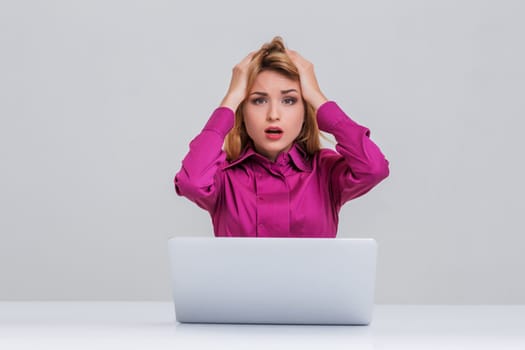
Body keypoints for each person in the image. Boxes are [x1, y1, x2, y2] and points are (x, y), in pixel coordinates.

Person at [174, 37, 389, 237]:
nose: (273, 115)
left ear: (305, 111)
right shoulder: (223, 177)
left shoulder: (324, 171)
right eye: (258, 101)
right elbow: (191, 183)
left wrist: (318, 97)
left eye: (289, 101)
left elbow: (374, 169)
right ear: (242, 111)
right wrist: (231, 98)